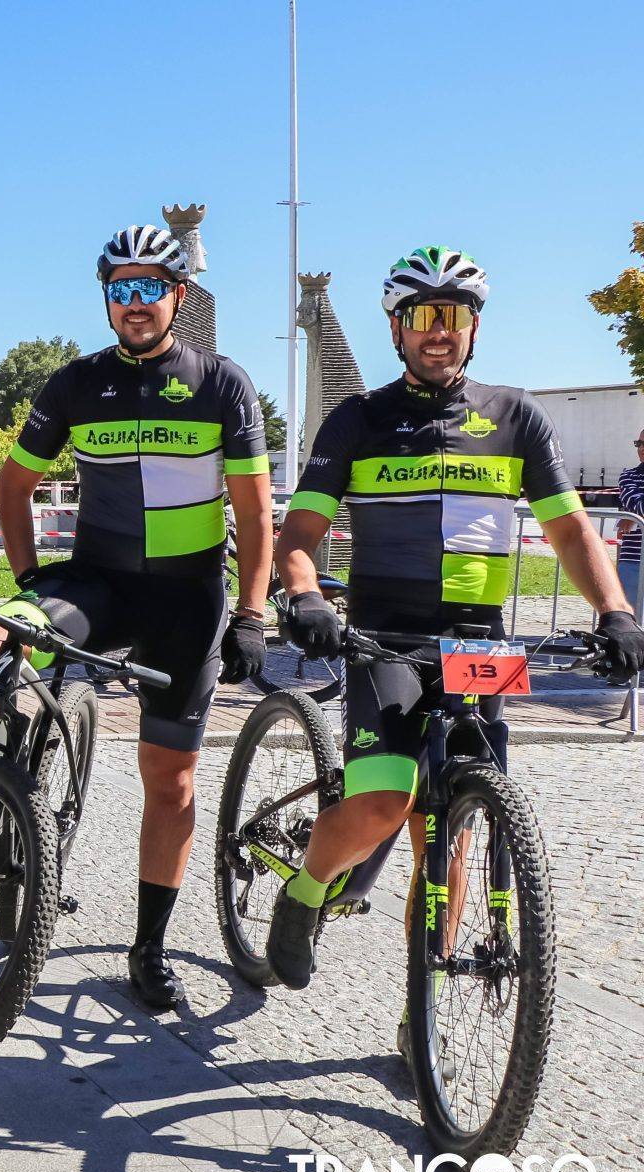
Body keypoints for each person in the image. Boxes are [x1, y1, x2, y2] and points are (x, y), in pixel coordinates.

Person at [268, 246, 644, 1012]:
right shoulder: (359, 418)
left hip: (481, 642)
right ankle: (305, 891)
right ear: (397, 328)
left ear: (474, 326)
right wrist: (303, 596)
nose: (438, 331)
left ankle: (424, 1014)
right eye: (422, 316)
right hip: (386, 635)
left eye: (454, 315)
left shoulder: (515, 415)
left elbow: (571, 531)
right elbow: (299, 533)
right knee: (385, 801)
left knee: (457, 825)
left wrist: (617, 613)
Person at [0, 223, 274, 1010]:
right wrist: (30, 578)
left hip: (186, 598)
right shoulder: (76, 383)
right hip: (96, 582)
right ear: (107, 298)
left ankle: (148, 946)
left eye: (149, 286)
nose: (134, 301)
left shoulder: (221, 383)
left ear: (177, 296)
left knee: (171, 776)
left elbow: (256, 513)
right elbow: (14, 485)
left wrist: (253, 611)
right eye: (120, 288)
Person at [618, 431, 643, 618]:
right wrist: (634, 512)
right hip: (633, 560)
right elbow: (638, 505)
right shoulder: (628, 476)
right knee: (631, 619)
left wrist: (633, 515)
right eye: (639, 443)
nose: (642, 448)